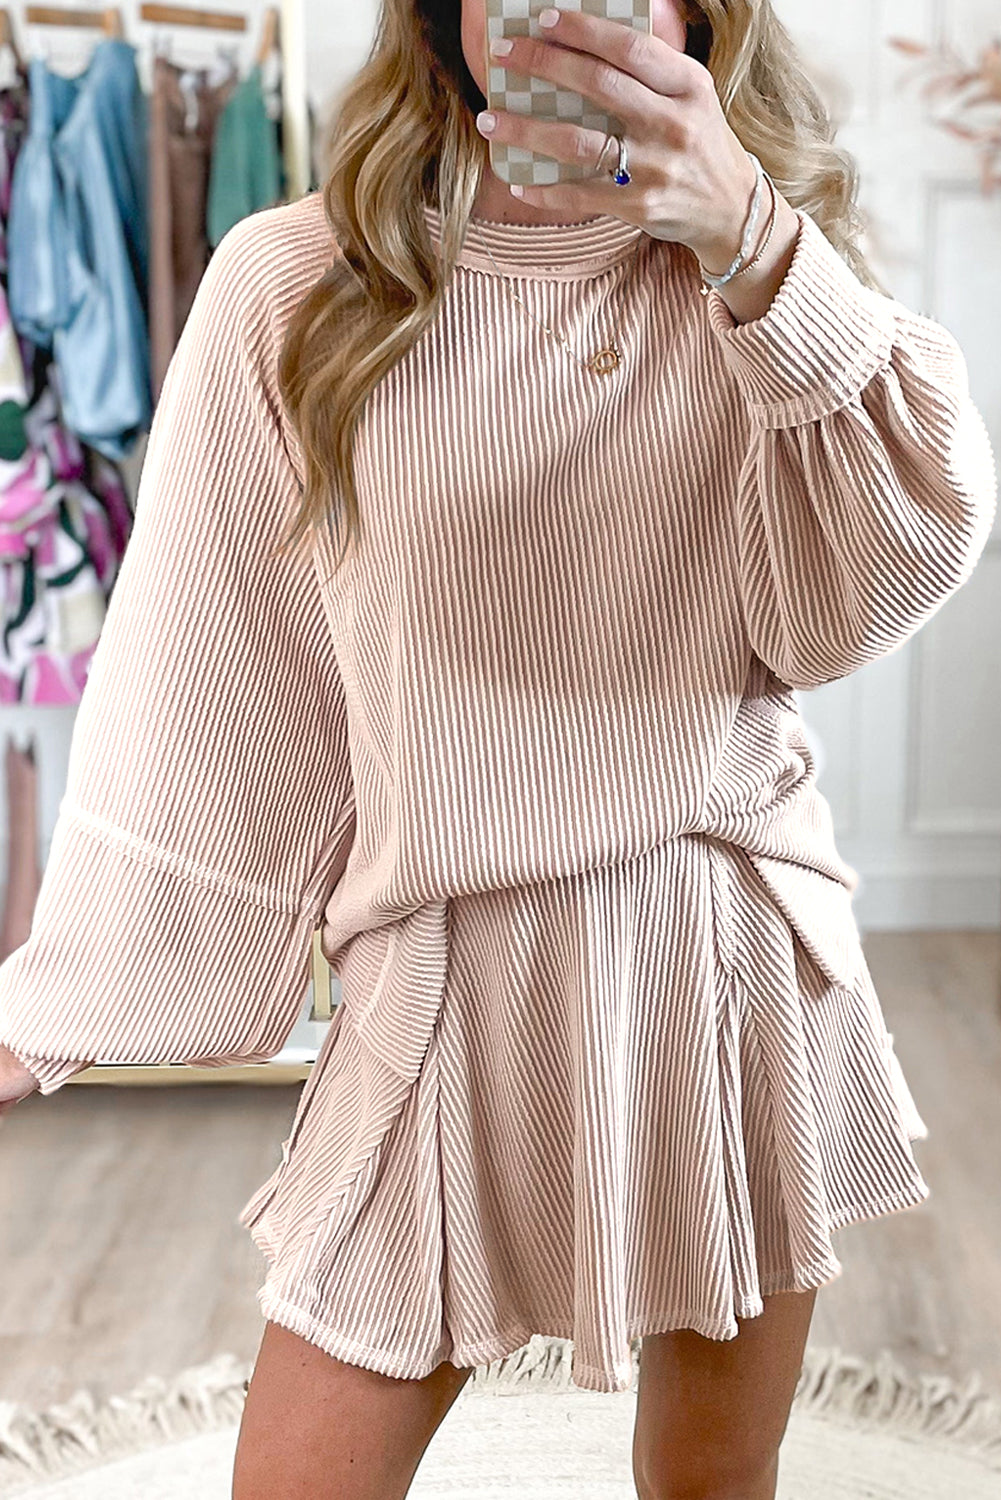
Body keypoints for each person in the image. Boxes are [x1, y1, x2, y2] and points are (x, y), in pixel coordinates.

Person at [0, 1, 996, 1496]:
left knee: (711, 1485)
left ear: (697, 11)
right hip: (440, 981)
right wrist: (58, 998)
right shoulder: (297, 281)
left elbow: (854, 600)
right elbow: (213, 673)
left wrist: (752, 251)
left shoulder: (771, 269)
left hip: (714, 963)